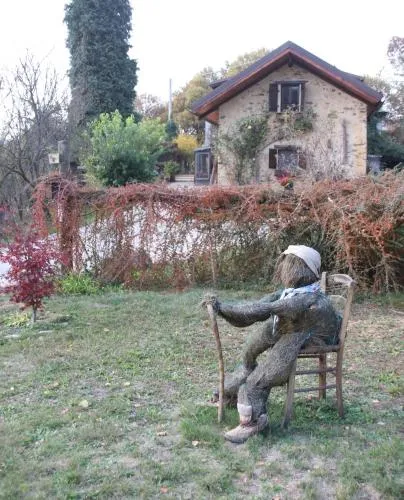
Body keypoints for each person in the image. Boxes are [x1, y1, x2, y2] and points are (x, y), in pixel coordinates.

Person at [205, 245, 340, 443]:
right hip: (293, 327)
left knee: (262, 376)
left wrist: (222, 308)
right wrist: (223, 309)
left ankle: (252, 421)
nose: (284, 270)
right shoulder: (289, 293)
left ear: (303, 270)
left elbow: (264, 310)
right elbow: (259, 306)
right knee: (255, 344)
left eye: (289, 266)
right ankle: (231, 392)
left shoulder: (308, 299)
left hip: (307, 335)